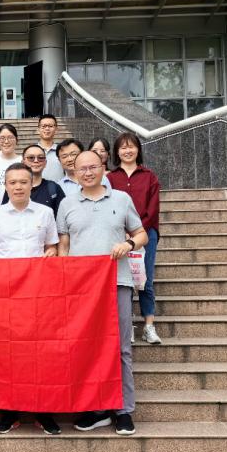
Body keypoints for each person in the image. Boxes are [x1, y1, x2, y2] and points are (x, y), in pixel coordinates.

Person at [56, 150, 148, 436]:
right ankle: (96, 409)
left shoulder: (121, 199)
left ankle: (123, 410)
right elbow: (63, 245)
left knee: (120, 348)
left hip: (116, 281)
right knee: (87, 347)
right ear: (74, 173)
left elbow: (142, 234)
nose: (87, 172)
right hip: (80, 288)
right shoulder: (67, 203)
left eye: (92, 167)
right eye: (81, 168)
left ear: (103, 168)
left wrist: (128, 244)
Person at [0, 163, 61, 436]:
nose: (18, 187)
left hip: (38, 294)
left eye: (23, 182)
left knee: (41, 353)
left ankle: (43, 412)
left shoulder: (45, 213)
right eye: (12, 182)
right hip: (5, 294)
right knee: (7, 353)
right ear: (5, 185)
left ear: (31, 184)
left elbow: (52, 247)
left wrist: (51, 254)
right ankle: (9, 412)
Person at [107, 132, 163, 345]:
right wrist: (124, 231)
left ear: (138, 149)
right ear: (117, 152)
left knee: (145, 280)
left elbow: (153, 208)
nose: (127, 151)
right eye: (123, 147)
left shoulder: (149, 176)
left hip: (146, 234)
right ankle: (127, 325)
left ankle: (149, 326)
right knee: (124, 281)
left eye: (131, 146)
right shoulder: (111, 178)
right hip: (118, 236)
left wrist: (138, 231)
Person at [0, 144, 65, 216]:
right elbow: (3, 213)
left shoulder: (54, 188)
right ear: (23, 162)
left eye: (40, 158)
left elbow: (61, 218)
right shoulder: (14, 188)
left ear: (45, 163)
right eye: (31, 158)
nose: (36, 161)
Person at [0, 123, 21, 198]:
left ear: (17, 140)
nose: (6, 141)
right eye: (2, 138)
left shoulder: (23, 162)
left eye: (10, 137)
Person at [37, 114, 64, 182]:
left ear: (56, 129)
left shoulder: (62, 151)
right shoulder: (32, 151)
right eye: (43, 126)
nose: (47, 129)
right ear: (38, 129)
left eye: (50, 126)